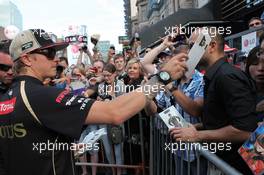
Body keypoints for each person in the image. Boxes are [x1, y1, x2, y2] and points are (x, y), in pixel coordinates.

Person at [0, 29, 187, 175]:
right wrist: (162, 77)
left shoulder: (7, 97)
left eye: (56, 52)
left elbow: (26, 144)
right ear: (26, 59)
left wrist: (62, 149)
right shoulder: (41, 95)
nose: (56, 58)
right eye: (49, 53)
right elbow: (114, 112)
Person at [170, 28, 258, 174]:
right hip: (222, 162)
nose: (189, 53)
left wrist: (197, 135)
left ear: (212, 46)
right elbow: (223, 118)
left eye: (193, 46)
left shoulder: (227, 76)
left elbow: (246, 130)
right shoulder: (215, 76)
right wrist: (199, 127)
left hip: (235, 166)